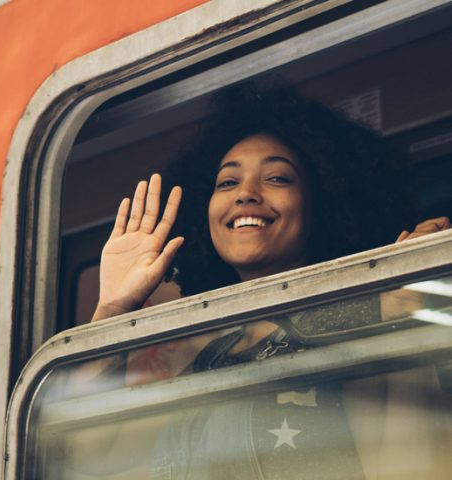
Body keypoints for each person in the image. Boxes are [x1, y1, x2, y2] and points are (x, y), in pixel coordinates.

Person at [75, 81, 452, 479]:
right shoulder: (202, 354)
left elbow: (415, 463)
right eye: (227, 182)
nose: (245, 194)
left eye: (277, 179)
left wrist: (404, 299)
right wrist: (112, 312)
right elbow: (87, 456)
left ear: (321, 207)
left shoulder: (363, 323)